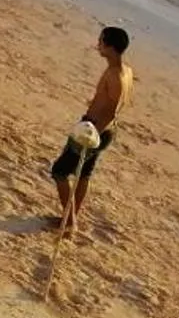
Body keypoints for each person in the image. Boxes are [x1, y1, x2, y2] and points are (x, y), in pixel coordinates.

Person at [50, 28, 133, 237]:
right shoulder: (126, 71)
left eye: (101, 42)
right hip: (103, 130)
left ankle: (70, 221)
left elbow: (111, 111)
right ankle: (70, 217)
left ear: (110, 46)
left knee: (59, 171)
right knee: (84, 173)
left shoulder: (115, 76)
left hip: (95, 130)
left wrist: (91, 134)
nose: (98, 45)